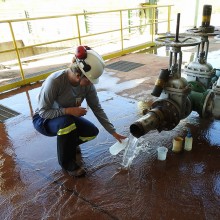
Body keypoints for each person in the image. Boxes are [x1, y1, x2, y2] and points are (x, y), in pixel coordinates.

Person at [33, 46, 126, 177]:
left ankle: (68, 144)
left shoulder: (87, 86)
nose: (90, 84)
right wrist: (70, 110)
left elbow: (97, 108)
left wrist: (113, 132)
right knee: (67, 123)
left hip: (68, 117)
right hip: (44, 120)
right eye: (88, 80)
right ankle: (68, 164)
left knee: (92, 132)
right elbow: (43, 112)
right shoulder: (55, 82)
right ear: (78, 75)